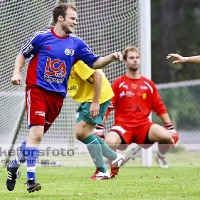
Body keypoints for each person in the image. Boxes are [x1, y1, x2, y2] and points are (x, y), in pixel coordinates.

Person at [7, 3, 122, 193]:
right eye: (72, 19)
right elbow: (22, 53)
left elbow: (95, 63)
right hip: (36, 90)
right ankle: (31, 180)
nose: (75, 22)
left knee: (34, 137)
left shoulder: (76, 43)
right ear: (61, 18)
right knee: (36, 136)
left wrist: (111, 57)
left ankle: (13, 166)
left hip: (57, 97)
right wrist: (16, 73)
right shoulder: (41, 37)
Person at [100, 46, 179, 178]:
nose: (135, 60)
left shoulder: (148, 84)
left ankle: (160, 157)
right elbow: (108, 107)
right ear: (125, 61)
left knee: (166, 136)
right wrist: (99, 126)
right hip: (123, 126)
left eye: (137, 58)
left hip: (143, 126)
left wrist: (170, 126)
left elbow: (159, 106)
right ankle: (112, 160)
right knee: (109, 142)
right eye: (131, 58)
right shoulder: (118, 84)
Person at [67, 60, 124, 180]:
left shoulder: (76, 60)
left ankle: (102, 170)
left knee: (83, 133)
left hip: (97, 97)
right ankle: (114, 157)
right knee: (80, 134)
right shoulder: (61, 61)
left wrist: (95, 102)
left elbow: (97, 74)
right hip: (87, 97)